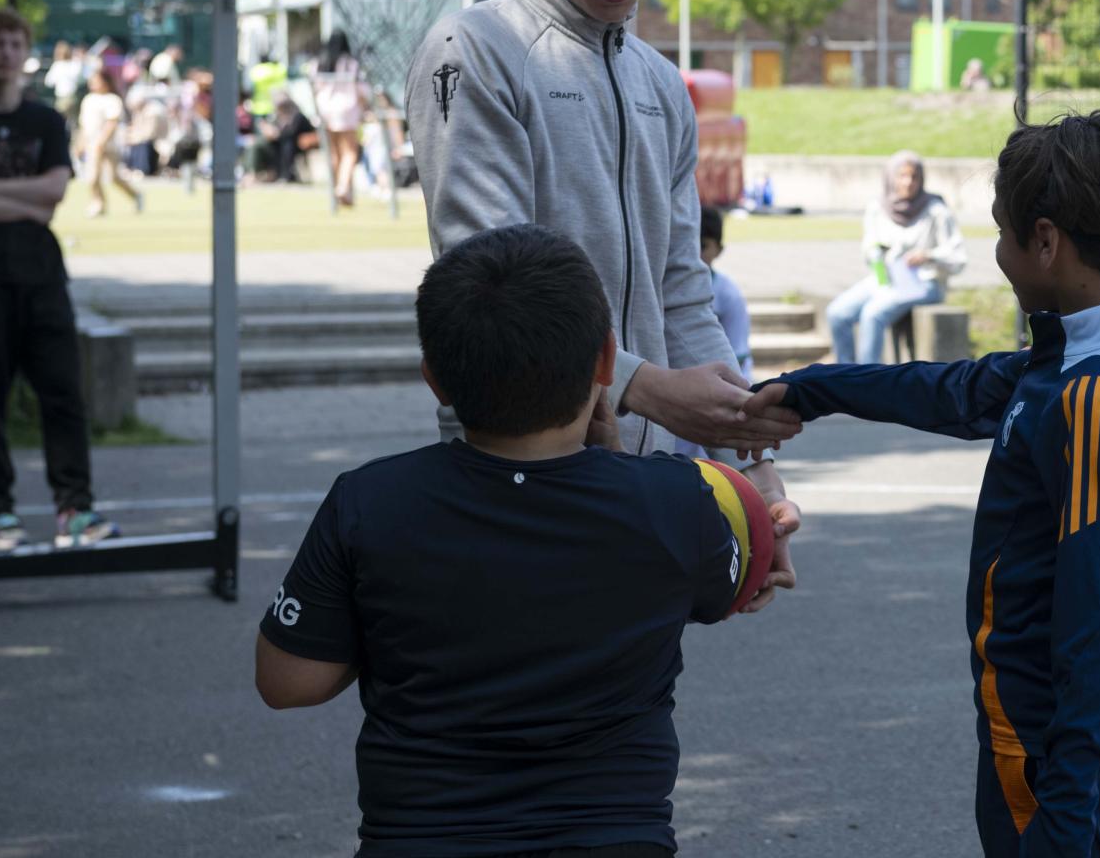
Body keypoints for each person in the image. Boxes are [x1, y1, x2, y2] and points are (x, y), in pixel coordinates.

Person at [255, 223, 801, 857]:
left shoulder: (369, 502)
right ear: (606, 362)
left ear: (434, 378)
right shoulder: (681, 503)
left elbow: (288, 681)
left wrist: (380, 625)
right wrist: (628, 474)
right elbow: (740, 579)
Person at [748, 110, 1100, 856]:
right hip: (1057, 723)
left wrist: (1066, 811)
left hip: (1054, 732)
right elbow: (959, 390)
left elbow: (1097, 614)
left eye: (1002, 233)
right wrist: (813, 389)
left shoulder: (1092, 398)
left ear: (1045, 241)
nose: (998, 253)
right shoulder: (1092, 348)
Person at [406, 0, 801, 491]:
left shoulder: (661, 83)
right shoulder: (473, 50)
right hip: (517, 464)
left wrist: (752, 466)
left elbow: (683, 288)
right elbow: (491, 291)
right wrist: (643, 387)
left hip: (646, 473)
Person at [0, 8, 117, 552]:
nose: (5, 53)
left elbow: (54, 193)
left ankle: (75, 509)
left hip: (40, 277)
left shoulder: (45, 121)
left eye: (14, 43)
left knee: (62, 394)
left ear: (27, 52)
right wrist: (24, 199)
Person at [825, 150, 967, 364]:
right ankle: (845, 372)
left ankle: (867, 377)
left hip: (924, 283)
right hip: (887, 280)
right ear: (891, 178)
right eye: (902, 176)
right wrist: (876, 254)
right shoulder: (878, 208)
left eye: (914, 176)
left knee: (872, 315)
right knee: (837, 313)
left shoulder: (936, 210)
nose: (908, 182)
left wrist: (929, 255)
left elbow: (958, 258)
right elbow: (869, 245)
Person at [675, 206, 753, 457]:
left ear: (719, 249)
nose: (695, 252)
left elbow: (738, 352)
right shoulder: (664, 285)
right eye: (690, 243)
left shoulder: (728, 293)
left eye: (703, 245)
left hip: (718, 383)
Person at [75, 68, 144, 217]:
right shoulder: (88, 100)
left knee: (114, 178)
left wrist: (102, 141)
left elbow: (111, 123)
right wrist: (80, 143)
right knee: (92, 176)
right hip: (92, 144)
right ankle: (98, 203)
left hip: (109, 144)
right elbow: (83, 125)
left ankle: (136, 195)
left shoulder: (112, 99)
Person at [310, 30, 367, 207]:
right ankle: (342, 187)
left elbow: (315, 87)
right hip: (347, 110)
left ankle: (336, 190)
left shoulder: (319, 63)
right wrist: (364, 107)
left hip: (324, 109)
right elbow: (362, 89)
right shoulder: (351, 63)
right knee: (350, 151)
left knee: (333, 152)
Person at [41, 39, 85, 131]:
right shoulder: (75, 64)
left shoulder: (57, 65)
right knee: (73, 124)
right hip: (74, 98)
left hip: (62, 98)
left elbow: (48, 82)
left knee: (59, 123)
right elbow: (82, 80)